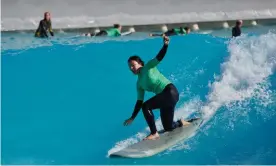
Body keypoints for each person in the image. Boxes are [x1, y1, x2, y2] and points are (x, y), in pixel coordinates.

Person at [124, 35, 190, 140]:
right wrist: (132, 117)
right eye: (130, 67)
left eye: (133, 65)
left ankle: (154, 133)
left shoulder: (149, 66)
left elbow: (159, 56)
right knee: (168, 127)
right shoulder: (139, 84)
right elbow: (139, 102)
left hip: (170, 92)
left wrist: (165, 45)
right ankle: (180, 123)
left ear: (140, 63)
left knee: (146, 107)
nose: (131, 68)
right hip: (165, 99)